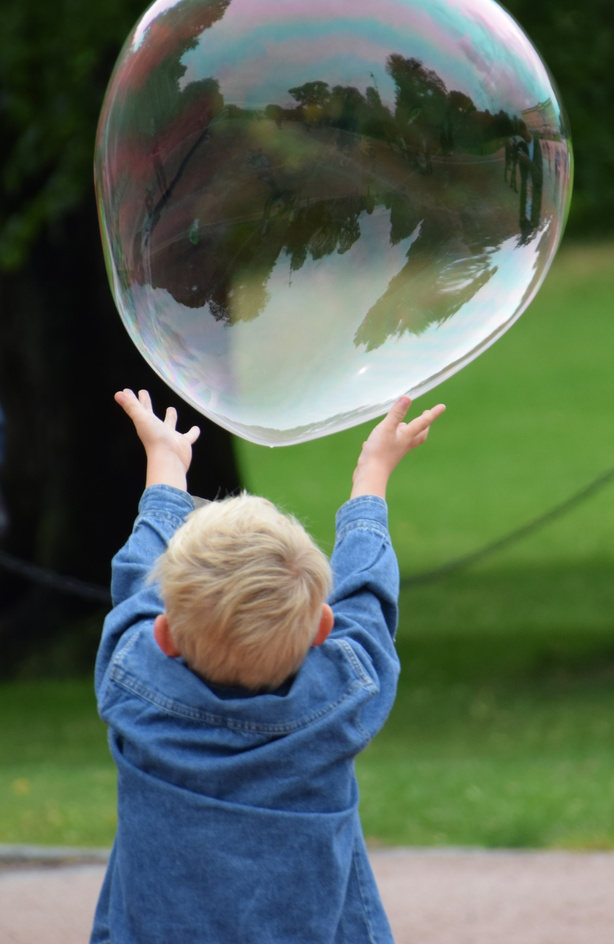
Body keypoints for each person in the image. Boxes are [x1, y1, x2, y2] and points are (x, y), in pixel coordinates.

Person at [91, 387, 445, 944]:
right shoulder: (343, 699)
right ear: (322, 629)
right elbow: (367, 597)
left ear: (164, 633)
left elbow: (140, 576)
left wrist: (165, 465)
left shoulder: (132, 684)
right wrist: (370, 476)